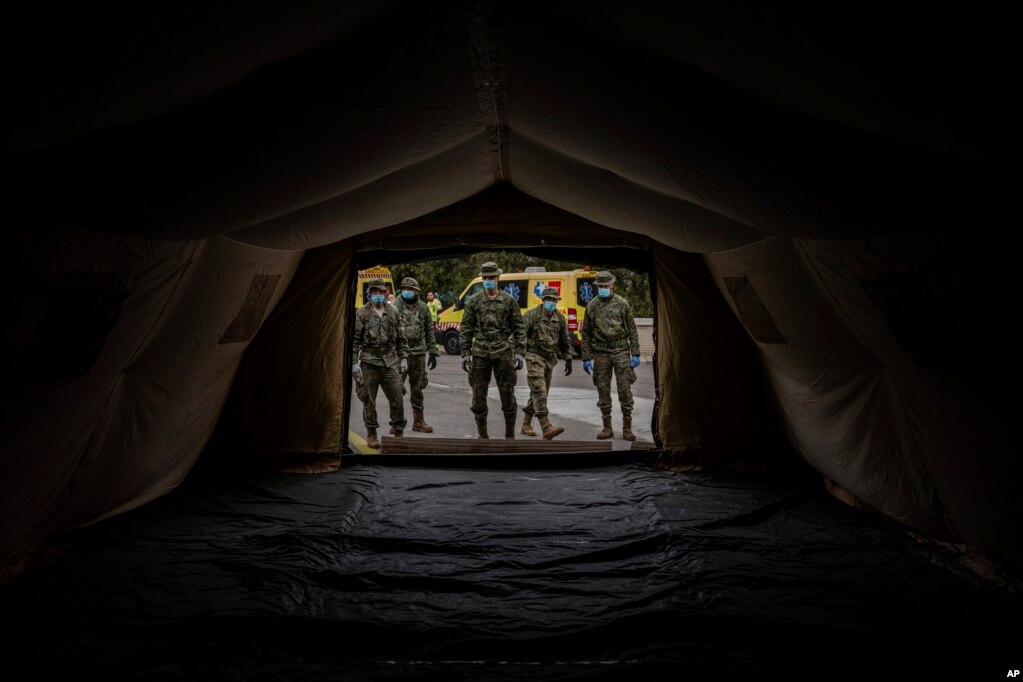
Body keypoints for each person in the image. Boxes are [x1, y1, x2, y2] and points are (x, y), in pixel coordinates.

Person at [458, 261, 526, 439]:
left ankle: (510, 435)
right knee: (478, 396)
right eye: (485, 277)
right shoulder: (474, 301)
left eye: (491, 277)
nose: (488, 280)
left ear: (498, 278)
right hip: (480, 352)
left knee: (508, 395)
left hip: (503, 351)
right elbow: (466, 328)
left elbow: (519, 328)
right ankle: (483, 435)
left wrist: (520, 352)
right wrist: (465, 354)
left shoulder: (509, 301)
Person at [580, 270, 641, 441]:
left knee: (624, 389)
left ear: (612, 285)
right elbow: (586, 334)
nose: (603, 289)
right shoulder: (591, 306)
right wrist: (586, 357)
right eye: (600, 286)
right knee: (602, 388)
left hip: (621, 351)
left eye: (605, 286)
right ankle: (607, 427)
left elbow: (632, 331)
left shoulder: (622, 304)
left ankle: (627, 428)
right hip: (601, 353)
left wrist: (635, 353)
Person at [351, 278, 409, 449]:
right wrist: (354, 363)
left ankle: (398, 431)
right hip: (369, 361)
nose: (377, 295)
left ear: (385, 293)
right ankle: (371, 433)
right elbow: (354, 340)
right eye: (374, 292)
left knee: (397, 396)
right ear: (369, 294)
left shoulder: (393, 312)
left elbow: (401, 338)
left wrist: (404, 357)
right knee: (369, 399)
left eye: (380, 292)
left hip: (390, 361)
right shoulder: (362, 313)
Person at [520, 287, 573, 439]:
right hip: (534, 356)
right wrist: (516, 355)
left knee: (538, 393)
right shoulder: (532, 315)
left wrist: (568, 358)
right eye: (548, 299)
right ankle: (546, 427)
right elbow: (519, 335)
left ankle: (525, 424)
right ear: (543, 300)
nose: (551, 302)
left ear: (557, 301)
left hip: (549, 359)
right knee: (540, 391)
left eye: (554, 299)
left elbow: (564, 338)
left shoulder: (559, 318)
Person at [395, 276, 440, 433]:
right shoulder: (394, 307)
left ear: (416, 291)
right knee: (396, 388)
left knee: (418, 388)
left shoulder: (423, 307)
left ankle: (418, 421)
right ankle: (396, 423)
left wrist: (433, 352)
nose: (408, 292)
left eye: (411, 289)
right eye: (405, 289)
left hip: (419, 352)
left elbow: (429, 331)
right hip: (400, 353)